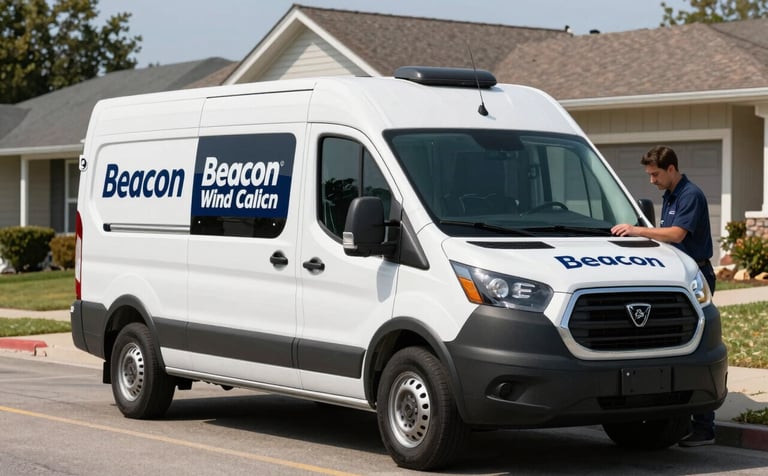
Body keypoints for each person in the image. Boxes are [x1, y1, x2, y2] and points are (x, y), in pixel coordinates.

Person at [611, 145, 716, 447]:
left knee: (697, 346)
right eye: (649, 174)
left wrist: (637, 231)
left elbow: (676, 234)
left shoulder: (690, 195)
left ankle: (705, 427)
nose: (651, 180)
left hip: (696, 278)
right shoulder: (670, 195)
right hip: (676, 279)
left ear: (671, 169)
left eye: (655, 174)